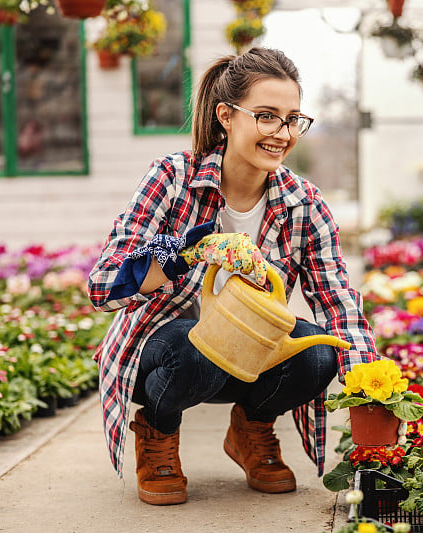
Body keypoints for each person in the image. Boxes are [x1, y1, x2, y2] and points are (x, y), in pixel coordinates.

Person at [87, 47, 378, 505]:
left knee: (319, 353)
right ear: (226, 115)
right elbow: (104, 285)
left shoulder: (304, 203)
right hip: (166, 356)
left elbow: (338, 301)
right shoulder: (173, 177)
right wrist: (189, 252)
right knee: (197, 343)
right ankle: (158, 432)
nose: (281, 133)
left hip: (248, 357)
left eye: (292, 119)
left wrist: (372, 388)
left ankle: (252, 429)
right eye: (266, 116)